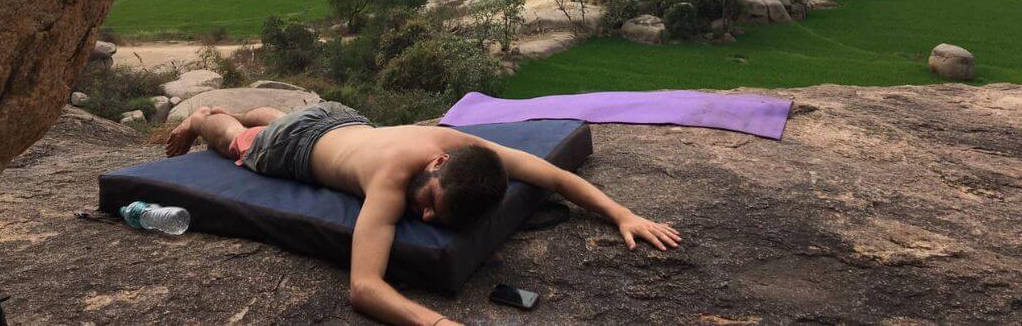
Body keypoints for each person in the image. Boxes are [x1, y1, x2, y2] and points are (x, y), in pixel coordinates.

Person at [166, 102, 682, 325]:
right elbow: (364, 289)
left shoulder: (459, 148)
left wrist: (622, 215)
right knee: (240, 140)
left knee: (284, 120)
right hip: (293, 148)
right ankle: (201, 118)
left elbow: (552, 176)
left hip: (340, 118)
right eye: (431, 203)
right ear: (436, 166)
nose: (427, 219)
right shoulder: (392, 185)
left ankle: (265, 115)